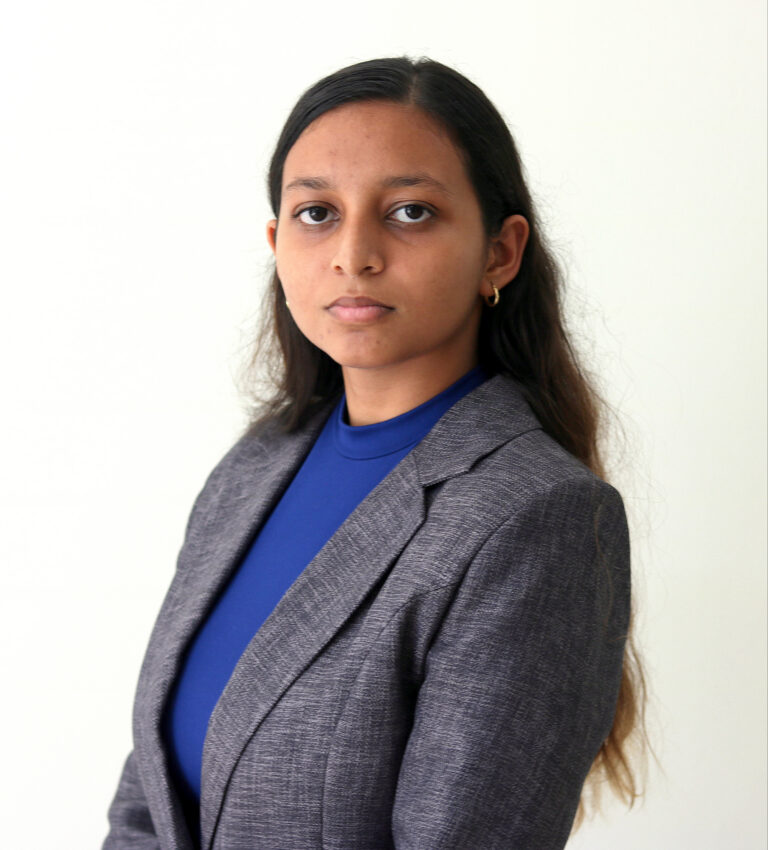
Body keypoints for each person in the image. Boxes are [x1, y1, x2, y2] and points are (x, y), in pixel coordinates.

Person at [102, 57, 645, 850]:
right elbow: (148, 801)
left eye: (410, 212)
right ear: (276, 243)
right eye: (317, 213)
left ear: (500, 252)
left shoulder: (536, 518)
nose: (353, 253)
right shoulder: (253, 468)